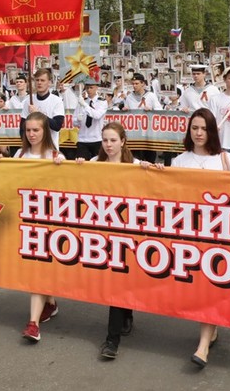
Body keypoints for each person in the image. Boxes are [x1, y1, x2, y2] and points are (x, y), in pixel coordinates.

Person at [169, 108, 230, 370]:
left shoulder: (225, 160)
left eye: (204, 128)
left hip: (218, 235)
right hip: (189, 234)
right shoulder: (178, 161)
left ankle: (203, 346)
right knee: (199, 289)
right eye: (194, 128)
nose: (199, 133)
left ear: (212, 131)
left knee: (211, 286)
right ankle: (213, 327)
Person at [92, 122, 147, 359]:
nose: (109, 145)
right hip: (104, 232)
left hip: (129, 232)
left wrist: (149, 171)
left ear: (123, 141)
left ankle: (111, 340)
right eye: (105, 140)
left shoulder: (134, 166)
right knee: (116, 281)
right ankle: (124, 315)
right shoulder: (95, 164)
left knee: (121, 280)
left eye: (113, 140)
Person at [16, 112, 65, 342]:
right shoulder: (20, 154)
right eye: (28, 130)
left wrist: (62, 168)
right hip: (26, 221)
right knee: (38, 269)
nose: (32, 134)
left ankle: (33, 323)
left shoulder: (56, 155)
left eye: (36, 130)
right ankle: (51, 301)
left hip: (49, 223)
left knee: (39, 270)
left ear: (45, 131)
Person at [21, 68, 65, 149]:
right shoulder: (28, 101)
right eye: (37, 80)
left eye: (42, 80)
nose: (39, 83)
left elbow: (57, 126)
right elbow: (22, 128)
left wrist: (38, 114)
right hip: (33, 149)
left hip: (50, 148)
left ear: (49, 82)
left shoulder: (57, 101)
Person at [74, 84, 108, 160]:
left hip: (96, 139)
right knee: (81, 166)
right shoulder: (82, 101)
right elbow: (74, 123)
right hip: (83, 139)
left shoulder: (102, 102)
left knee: (98, 166)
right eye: (87, 88)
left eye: (91, 87)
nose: (89, 90)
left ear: (96, 88)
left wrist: (85, 105)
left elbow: (97, 115)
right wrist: (78, 120)